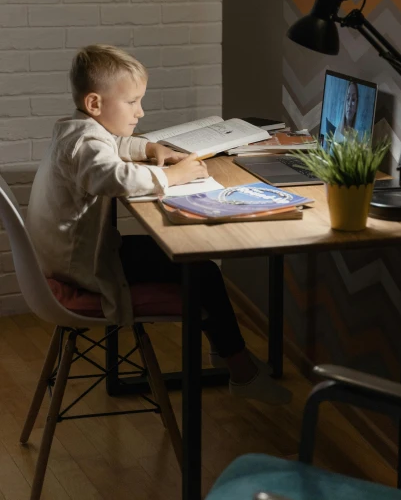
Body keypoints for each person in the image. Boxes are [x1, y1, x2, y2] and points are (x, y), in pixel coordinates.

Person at [27, 44, 291, 406]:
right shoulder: (86, 143)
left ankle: (228, 356)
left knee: (196, 268)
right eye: (133, 102)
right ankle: (241, 371)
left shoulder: (76, 129)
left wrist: (150, 150)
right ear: (95, 105)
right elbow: (110, 176)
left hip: (70, 256)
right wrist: (174, 176)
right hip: (86, 268)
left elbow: (114, 144)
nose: (141, 111)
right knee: (202, 274)